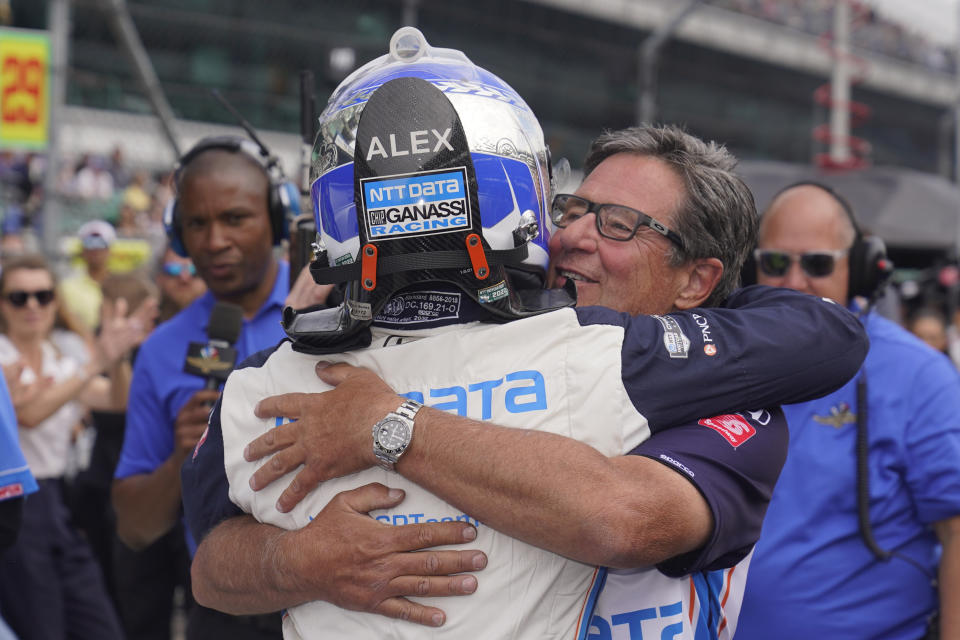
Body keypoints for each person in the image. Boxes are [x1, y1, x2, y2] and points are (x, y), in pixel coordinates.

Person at [182, 29, 867, 639]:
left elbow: (624, 519)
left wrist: (391, 427)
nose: (572, 237)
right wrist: (294, 562)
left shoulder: (704, 385)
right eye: (573, 209)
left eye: (619, 225)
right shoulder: (278, 374)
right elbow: (210, 569)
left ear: (697, 281)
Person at [737, 182, 960, 640]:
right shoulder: (721, 361)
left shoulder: (919, 376)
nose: (794, 282)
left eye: (817, 264)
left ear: (858, 271)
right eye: (776, 263)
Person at [110, 135, 297, 640]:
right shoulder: (160, 349)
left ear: (277, 221)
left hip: (332, 607)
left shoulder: (334, 313)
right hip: (222, 614)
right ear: (176, 233)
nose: (214, 241)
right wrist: (181, 459)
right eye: (197, 223)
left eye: (235, 218)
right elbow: (135, 527)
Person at [0, 254, 153, 640]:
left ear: (55, 301)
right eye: (19, 297)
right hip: (14, 505)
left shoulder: (61, 357)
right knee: (42, 628)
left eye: (43, 295)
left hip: (57, 501)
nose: (33, 306)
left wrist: (116, 359)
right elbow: (31, 414)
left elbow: (117, 400)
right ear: (2, 304)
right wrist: (96, 360)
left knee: (99, 626)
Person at [59, 219, 116, 331]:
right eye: (89, 243)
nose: (95, 249)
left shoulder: (122, 284)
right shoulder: (66, 287)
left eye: (101, 243)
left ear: (109, 249)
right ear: (82, 250)